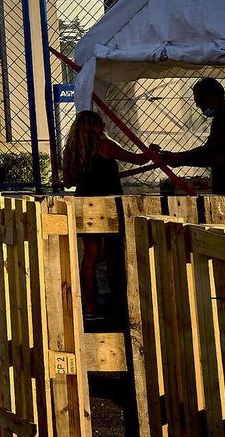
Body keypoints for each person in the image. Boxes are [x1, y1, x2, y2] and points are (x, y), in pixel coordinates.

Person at [61, 110, 148, 319]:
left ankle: (89, 305)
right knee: (113, 255)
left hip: (85, 204)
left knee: (90, 256)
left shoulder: (72, 150)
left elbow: (68, 182)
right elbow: (138, 159)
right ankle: (119, 303)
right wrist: (151, 151)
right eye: (102, 123)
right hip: (108, 206)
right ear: (97, 126)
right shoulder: (105, 145)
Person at [155, 78, 225, 217]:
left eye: (200, 100)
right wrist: (178, 158)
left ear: (214, 97)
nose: (197, 105)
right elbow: (210, 152)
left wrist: (179, 158)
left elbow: (212, 155)